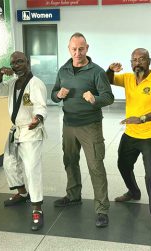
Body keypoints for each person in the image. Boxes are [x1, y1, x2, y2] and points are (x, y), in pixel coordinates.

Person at [106, 48, 151, 241]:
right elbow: (109, 79)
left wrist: (143, 118)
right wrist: (110, 69)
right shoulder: (127, 78)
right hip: (130, 133)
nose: (137, 63)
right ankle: (134, 191)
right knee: (122, 165)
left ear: (149, 61)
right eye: (134, 60)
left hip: (150, 135)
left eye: (141, 59)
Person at [51, 32, 114, 228]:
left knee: (95, 166)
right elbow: (53, 95)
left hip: (90, 126)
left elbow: (109, 97)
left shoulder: (97, 71)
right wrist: (58, 95)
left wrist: (95, 99)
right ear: (69, 49)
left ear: (87, 48)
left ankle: (102, 209)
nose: (77, 53)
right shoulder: (63, 70)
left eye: (81, 49)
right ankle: (73, 195)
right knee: (69, 161)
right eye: (74, 49)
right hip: (69, 124)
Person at [0, 51, 47, 231]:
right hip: (16, 131)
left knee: (31, 168)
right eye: (13, 63)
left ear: (27, 63)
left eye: (20, 62)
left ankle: (37, 208)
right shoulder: (12, 83)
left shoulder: (36, 84)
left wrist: (38, 118)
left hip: (31, 130)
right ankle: (22, 194)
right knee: (9, 163)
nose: (16, 65)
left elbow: (41, 106)